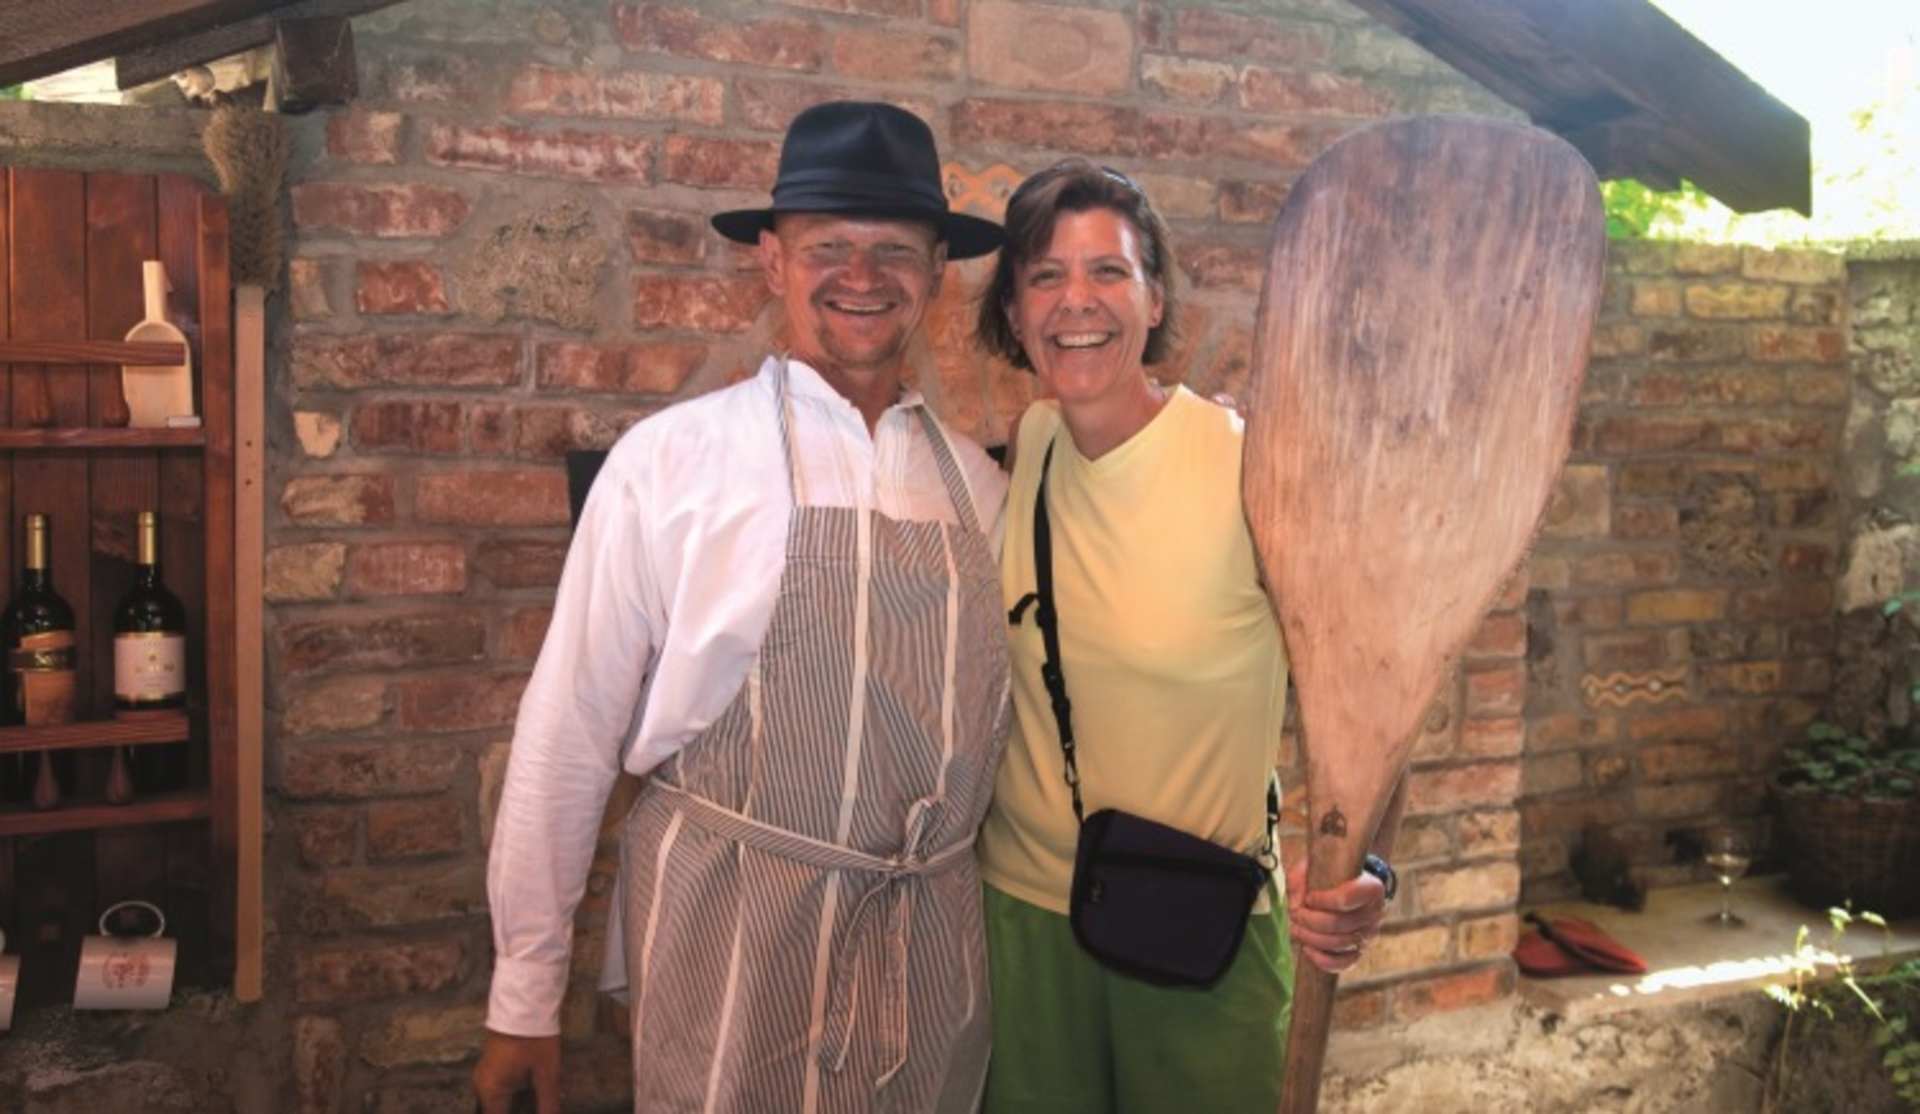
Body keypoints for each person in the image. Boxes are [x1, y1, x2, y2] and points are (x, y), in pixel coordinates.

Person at [474, 101, 1012, 1114]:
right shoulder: (670, 463)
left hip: (928, 946)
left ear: (936, 274)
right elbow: (569, 731)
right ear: (772, 261)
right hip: (731, 941)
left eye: (894, 248)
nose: (862, 276)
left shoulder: (977, 486)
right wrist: (523, 997)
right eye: (828, 247)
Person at [973, 158, 1405, 1112]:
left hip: (1203, 925)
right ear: (1012, 311)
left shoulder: (1253, 471)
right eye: (1044, 276)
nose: (1074, 302)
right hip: (1023, 924)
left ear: (1154, 295)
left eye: (1107, 272)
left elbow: (1384, 689)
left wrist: (1369, 865)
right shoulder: (1033, 444)